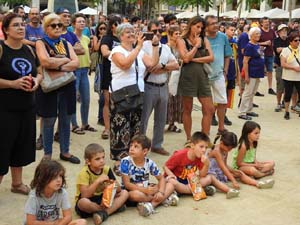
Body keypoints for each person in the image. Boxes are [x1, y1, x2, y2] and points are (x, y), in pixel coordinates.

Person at [0, 13, 42, 194]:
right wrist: (12, 84)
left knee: (21, 146)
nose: (21, 27)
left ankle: (17, 184)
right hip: (4, 109)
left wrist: (37, 81)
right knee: (2, 148)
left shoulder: (29, 50)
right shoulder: (2, 49)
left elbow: (39, 70)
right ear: (6, 30)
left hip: (26, 108)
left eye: (22, 24)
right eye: (16, 25)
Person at [109, 23, 160, 174]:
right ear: (120, 36)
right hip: (121, 93)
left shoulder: (139, 50)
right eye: (127, 32)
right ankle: (119, 161)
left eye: (132, 31)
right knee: (120, 128)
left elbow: (151, 64)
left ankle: (132, 158)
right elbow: (124, 64)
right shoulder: (116, 50)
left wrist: (155, 46)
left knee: (135, 127)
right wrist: (138, 47)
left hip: (138, 93)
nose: (131, 34)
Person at [36, 13, 80, 164]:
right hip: (50, 88)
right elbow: (44, 61)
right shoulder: (41, 43)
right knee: (49, 120)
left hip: (67, 87)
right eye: (53, 25)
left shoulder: (66, 43)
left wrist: (56, 64)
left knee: (65, 120)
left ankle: (65, 151)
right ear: (46, 28)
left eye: (59, 25)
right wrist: (64, 61)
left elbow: (76, 63)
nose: (57, 28)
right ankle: (47, 154)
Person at [140, 20, 179, 156]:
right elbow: (150, 67)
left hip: (163, 86)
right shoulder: (144, 46)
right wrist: (164, 66)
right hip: (148, 86)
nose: (157, 34)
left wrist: (162, 67)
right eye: (154, 31)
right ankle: (140, 145)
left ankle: (157, 144)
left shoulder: (166, 47)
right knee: (144, 118)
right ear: (149, 31)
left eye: (159, 31)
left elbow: (175, 65)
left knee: (161, 118)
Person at [164, 131, 240, 199]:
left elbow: (202, 175)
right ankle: (192, 191)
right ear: (192, 145)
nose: (204, 150)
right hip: (177, 180)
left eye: (206, 147)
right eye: (201, 146)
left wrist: (206, 164)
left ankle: (229, 190)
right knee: (172, 183)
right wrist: (172, 176)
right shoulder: (180, 154)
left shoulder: (200, 157)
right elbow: (165, 166)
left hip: (189, 181)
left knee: (210, 177)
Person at [177, 16, 214, 144]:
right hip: (188, 77)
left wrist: (195, 59)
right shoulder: (182, 40)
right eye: (197, 26)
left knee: (209, 108)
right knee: (187, 108)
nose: (199, 29)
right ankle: (189, 138)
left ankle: (204, 138)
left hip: (202, 77)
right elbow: (185, 58)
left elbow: (211, 57)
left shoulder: (204, 39)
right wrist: (196, 46)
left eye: (201, 27)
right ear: (191, 25)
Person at [120, 135, 179, 217]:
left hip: (147, 190)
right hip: (132, 191)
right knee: (135, 195)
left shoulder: (149, 163)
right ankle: (162, 200)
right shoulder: (125, 161)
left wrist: (161, 192)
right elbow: (127, 184)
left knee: (171, 184)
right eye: (131, 145)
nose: (131, 148)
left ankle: (150, 205)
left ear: (144, 151)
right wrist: (145, 190)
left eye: (136, 146)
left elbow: (161, 178)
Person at [75, 143, 128, 225]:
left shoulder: (106, 169)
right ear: (88, 161)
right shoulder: (84, 173)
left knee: (125, 193)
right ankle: (110, 210)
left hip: (103, 198)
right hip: (90, 201)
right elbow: (85, 195)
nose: (102, 161)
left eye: (103, 157)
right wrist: (97, 181)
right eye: (97, 159)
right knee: (82, 202)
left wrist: (112, 184)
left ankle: (103, 214)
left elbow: (119, 190)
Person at [24, 160, 87, 225]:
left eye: (60, 176)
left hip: (54, 223)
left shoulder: (62, 193)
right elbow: (30, 222)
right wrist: (52, 223)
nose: (59, 180)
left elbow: (68, 216)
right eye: (54, 177)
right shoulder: (33, 196)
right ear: (43, 179)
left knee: (81, 222)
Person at [208, 132, 274, 189]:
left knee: (240, 173)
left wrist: (234, 171)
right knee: (218, 180)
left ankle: (258, 183)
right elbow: (223, 168)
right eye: (228, 148)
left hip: (220, 171)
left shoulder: (225, 150)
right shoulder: (216, 151)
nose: (229, 150)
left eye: (231, 148)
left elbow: (225, 165)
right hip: (211, 173)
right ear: (221, 143)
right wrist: (233, 181)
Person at [71, 13, 97, 134]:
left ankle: (85, 123)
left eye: (83, 21)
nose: (82, 23)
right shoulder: (70, 37)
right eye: (79, 21)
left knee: (86, 99)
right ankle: (74, 125)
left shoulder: (86, 38)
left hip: (84, 71)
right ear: (73, 24)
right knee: (72, 99)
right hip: (74, 71)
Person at [206, 15, 232, 134]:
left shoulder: (223, 37)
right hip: (204, 75)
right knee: (206, 105)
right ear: (206, 26)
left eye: (216, 23)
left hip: (219, 74)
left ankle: (221, 127)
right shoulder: (201, 38)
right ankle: (205, 129)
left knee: (222, 101)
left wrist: (225, 71)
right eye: (212, 23)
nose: (215, 25)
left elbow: (227, 55)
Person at [100, 15, 121, 140]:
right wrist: (118, 53)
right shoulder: (107, 38)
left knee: (119, 102)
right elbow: (104, 52)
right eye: (119, 24)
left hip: (121, 74)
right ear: (113, 26)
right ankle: (107, 128)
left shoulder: (125, 38)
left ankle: (117, 127)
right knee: (107, 102)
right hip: (109, 73)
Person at [238, 27, 264, 120]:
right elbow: (245, 62)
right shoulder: (249, 46)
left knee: (253, 92)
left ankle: (249, 109)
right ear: (251, 35)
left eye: (259, 33)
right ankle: (242, 112)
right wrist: (247, 76)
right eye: (256, 34)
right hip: (252, 72)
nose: (258, 35)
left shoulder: (256, 45)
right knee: (248, 92)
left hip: (257, 72)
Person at [166, 25, 183, 133]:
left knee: (177, 100)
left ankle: (173, 124)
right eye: (176, 34)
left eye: (179, 33)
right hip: (168, 76)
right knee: (168, 101)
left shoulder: (180, 47)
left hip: (178, 75)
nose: (178, 36)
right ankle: (167, 122)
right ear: (170, 35)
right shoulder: (166, 47)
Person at [280, 31, 300, 120]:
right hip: (288, 77)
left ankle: (296, 107)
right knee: (288, 94)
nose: (298, 42)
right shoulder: (285, 50)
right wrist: (294, 68)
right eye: (295, 40)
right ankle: (287, 111)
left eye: (299, 40)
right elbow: (283, 64)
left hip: (298, 77)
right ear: (291, 41)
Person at [92, 22, 107, 126]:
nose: (103, 30)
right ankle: (100, 117)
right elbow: (96, 48)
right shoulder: (95, 37)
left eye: (104, 28)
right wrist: (102, 38)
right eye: (101, 28)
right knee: (101, 93)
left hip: (108, 66)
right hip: (100, 65)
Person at [273, 24, 289, 112]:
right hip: (279, 65)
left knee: (288, 86)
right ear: (278, 32)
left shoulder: (289, 40)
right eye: (282, 31)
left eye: (285, 30)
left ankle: (284, 101)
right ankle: (278, 103)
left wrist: (284, 49)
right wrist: (288, 49)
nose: (284, 32)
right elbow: (278, 50)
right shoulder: (276, 40)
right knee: (280, 85)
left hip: (289, 65)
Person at [259, 17, 276, 95]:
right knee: (258, 70)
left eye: (268, 22)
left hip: (270, 53)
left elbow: (274, 41)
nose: (267, 23)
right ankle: (256, 88)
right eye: (265, 22)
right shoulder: (259, 31)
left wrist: (274, 50)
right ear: (261, 23)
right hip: (260, 54)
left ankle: (270, 87)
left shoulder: (272, 31)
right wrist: (264, 43)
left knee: (270, 71)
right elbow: (254, 42)